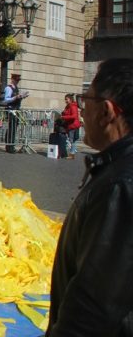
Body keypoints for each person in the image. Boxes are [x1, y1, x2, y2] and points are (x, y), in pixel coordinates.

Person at [46, 58, 133, 336]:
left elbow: (93, 306)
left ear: (106, 112)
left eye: (87, 101)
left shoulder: (119, 185)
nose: (83, 112)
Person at [2, 73, 28, 153]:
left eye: (18, 80)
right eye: (16, 80)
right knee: (11, 129)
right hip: (11, 111)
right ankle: (9, 146)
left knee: (14, 128)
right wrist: (15, 97)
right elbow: (6, 100)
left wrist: (21, 97)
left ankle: (11, 145)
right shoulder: (8, 88)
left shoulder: (16, 88)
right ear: (12, 79)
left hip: (16, 110)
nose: (17, 82)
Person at [61, 93, 81, 159]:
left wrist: (64, 117)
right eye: (65, 99)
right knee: (71, 140)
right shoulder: (68, 106)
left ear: (70, 99)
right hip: (70, 125)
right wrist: (63, 113)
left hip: (73, 126)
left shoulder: (73, 106)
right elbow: (65, 113)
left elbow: (74, 116)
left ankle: (71, 154)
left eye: (67, 99)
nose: (65, 101)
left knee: (72, 140)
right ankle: (71, 154)